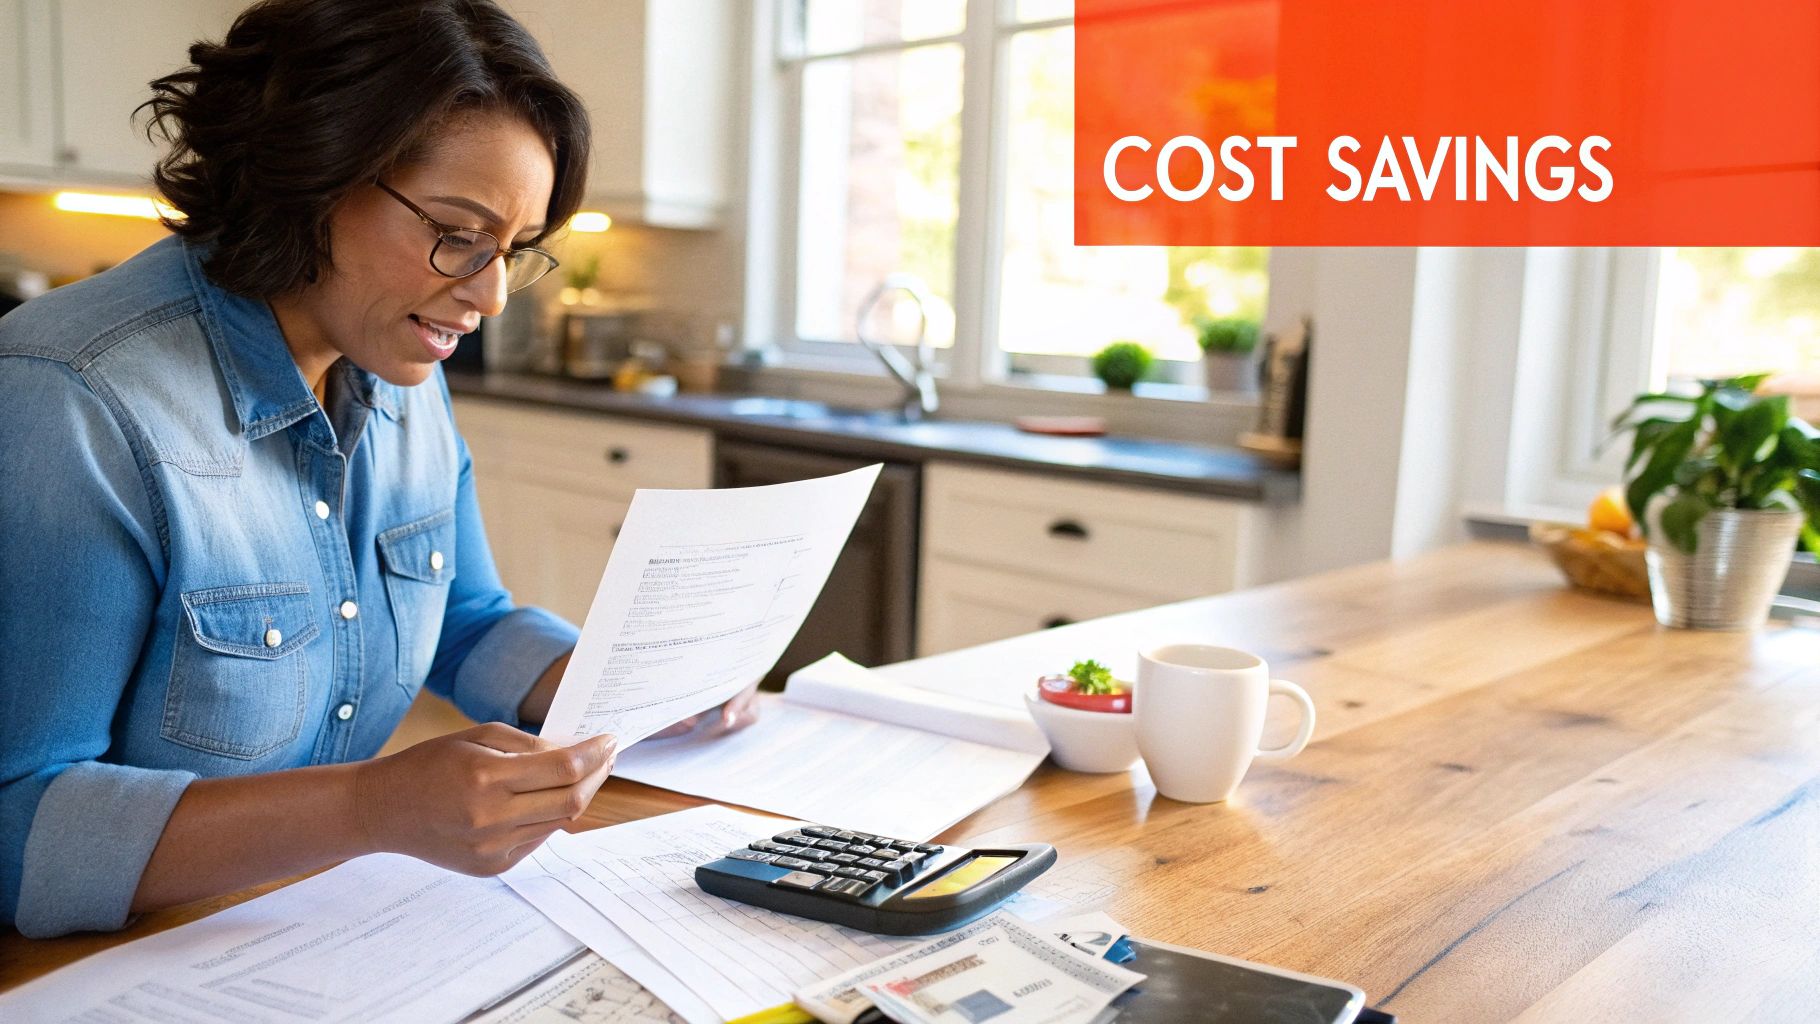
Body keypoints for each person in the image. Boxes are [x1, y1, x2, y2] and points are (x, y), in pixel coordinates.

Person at [0, 0, 752, 939]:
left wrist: (631, 685)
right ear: (312, 175)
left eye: (514, 252)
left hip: (305, 921)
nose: (490, 296)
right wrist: (370, 807)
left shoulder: (394, 359)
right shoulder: (71, 401)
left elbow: (464, 621)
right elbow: (18, 825)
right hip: (109, 962)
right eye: (457, 234)